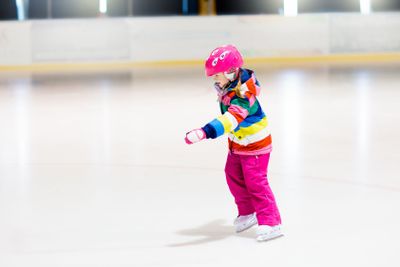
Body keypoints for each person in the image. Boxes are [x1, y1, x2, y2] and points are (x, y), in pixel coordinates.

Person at [184, 45, 282, 242]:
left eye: (216, 75)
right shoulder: (229, 86)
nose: (214, 79)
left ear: (230, 72)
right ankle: (247, 212)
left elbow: (230, 119)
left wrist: (205, 132)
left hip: (255, 145)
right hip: (238, 143)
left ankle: (271, 222)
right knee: (233, 175)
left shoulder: (244, 96)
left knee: (256, 182)